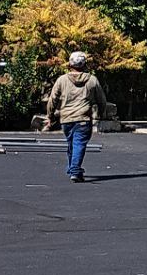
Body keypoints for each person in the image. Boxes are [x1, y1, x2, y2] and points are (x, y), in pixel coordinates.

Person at [43, 51, 106, 183]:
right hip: (83, 118)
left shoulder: (62, 80)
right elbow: (101, 100)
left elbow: (53, 99)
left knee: (72, 143)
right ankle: (75, 170)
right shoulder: (92, 80)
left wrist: (50, 115)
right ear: (84, 65)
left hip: (66, 119)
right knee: (78, 144)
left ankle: (72, 168)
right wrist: (101, 113)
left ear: (70, 64)